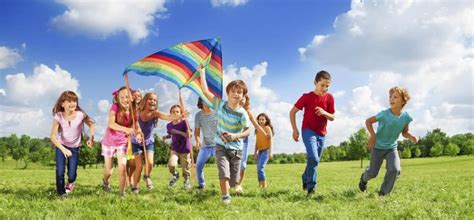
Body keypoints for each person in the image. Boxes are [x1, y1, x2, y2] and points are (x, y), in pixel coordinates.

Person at [198, 65, 250, 205]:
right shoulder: (220, 105)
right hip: (220, 146)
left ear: (243, 96)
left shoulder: (243, 113)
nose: (236, 94)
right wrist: (202, 73)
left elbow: (247, 131)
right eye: (233, 91)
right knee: (223, 172)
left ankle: (233, 187)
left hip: (236, 149)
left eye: (239, 92)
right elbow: (205, 91)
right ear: (228, 93)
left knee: (234, 181)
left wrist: (235, 136)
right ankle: (225, 196)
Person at [359, 86, 417, 196]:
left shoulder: (406, 117)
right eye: (390, 97)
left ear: (403, 100)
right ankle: (363, 178)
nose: (391, 99)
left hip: (391, 148)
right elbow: (368, 121)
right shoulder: (384, 114)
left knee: (395, 169)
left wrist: (411, 137)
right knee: (372, 173)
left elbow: (404, 132)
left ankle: (383, 193)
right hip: (378, 147)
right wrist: (373, 136)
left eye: (395, 97)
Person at [289, 70, 335, 196]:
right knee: (314, 158)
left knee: (314, 160)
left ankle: (305, 176)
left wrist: (324, 112)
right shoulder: (306, 97)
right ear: (315, 82)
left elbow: (332, 117)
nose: (324, 88)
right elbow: (292, 112)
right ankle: (311, 188)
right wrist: (295, 129)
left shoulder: (330, 98)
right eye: (322, 85)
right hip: (308, 131)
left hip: (322, 134)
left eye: (327, 86)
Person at [130, 92, 183, 193]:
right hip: (136, 141)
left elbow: (167, 117)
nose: (152, 101)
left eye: (155, 100)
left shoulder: (155, 114)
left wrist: (179, 115)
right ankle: (135, 187)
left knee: (150, 162)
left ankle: (146, 176)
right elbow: (133, 124)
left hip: (148, 141)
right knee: (139, 166)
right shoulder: (137, 112)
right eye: (150, 99)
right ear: (145, 100)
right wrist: (137, 133)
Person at [50, 91, 95, 197]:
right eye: (69, 101)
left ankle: (70, 182)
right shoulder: (58, 116)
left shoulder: (80, 115)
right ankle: (61, 193)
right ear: (62, 104)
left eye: (74, 101)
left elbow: (91, 125)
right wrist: (63, 149)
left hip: (75, 147)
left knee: (71, 174)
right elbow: (52, 136)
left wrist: (91, 137)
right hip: (61, 146)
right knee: (60, 170)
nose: (73, 103)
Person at [101, 87, 141, 195]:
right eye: (121, 97)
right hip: (109, 141)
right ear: (118, 98)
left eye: (127, 97)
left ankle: (121, 193)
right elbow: (111, 124)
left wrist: (138, 134)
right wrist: (127, 129)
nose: (124, 99)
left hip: (122, 142)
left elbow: (137, 127)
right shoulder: (115, 107)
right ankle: (105, 182)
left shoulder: (134, 112)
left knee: (123, 168)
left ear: (132, 98)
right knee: (108, 171)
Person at [235, 95, 269, 194]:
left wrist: (264, 133)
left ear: (246, 100)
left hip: (244, 140)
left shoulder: (248, 112)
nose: (241, 100)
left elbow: (256, 125)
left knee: (243, 164)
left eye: (243, 98)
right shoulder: (232, 109)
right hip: (232, 140)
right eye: (240, 98)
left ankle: (239, 185)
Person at [163, 104, 192, 189]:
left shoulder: (184, 122)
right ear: (170, 114)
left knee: (185, 168)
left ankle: (186, 181)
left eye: (177, 112)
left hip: (184, 149)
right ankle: (175, 175)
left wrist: (177, 132)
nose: (175, 113)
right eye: (173, 112)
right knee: (171, 164)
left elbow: (189, 136)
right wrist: (166, 137)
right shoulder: (169, 125)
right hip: (175, 148)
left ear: (181, 113)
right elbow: (171, 133)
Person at [194, 98, 217, 191]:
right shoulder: (198, 115)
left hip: (218, 145)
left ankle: (227, 185)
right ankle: (201, 184)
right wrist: (197, 141)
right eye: (205, 100)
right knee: (198, 165)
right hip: (205, 146)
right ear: (201, 102)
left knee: (223, 166)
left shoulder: (216, 113)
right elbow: (197, 132)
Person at [253, 113, 274, 188]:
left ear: (266, 120)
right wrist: (255, 152)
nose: (261, 121)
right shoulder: (257, 130)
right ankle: (260, 186)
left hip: (266, 150)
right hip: (260, 151)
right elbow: (257, 142)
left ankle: (264, 186)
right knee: (258, 168)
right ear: (257, 121)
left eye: (263, 119)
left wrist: (271, 152)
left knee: (261, 168)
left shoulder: (267, 128)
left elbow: (271, 140)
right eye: (260, 119)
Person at [126, 90, 142, 189]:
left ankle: (130, 176)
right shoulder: (128, 108)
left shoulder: (143, 109)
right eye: (134, 95)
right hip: (128, 136)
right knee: (128, 160)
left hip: (139, 137)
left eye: (139, 95)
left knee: (135, 163)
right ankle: (128, 177)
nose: (136, 97)